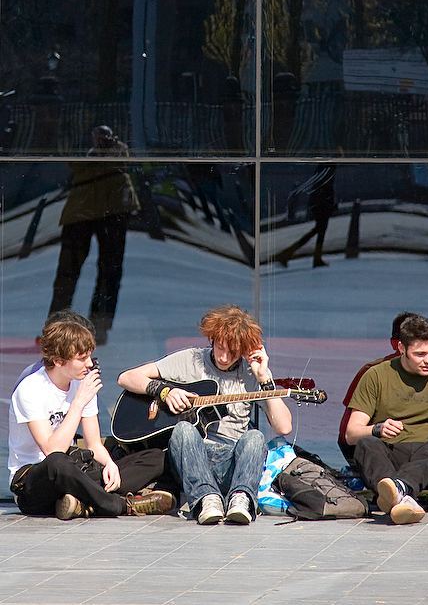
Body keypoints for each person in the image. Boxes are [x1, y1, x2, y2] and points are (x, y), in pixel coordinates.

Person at [117, 305, 292, 525]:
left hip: (233, 461)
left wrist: (264, 378)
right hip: (194, 458)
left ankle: (241, 499)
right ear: (212, 339)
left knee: (255, 437)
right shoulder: (191, 360)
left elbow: (284, 427)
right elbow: (126, 378)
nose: (225, 357)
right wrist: (164, 391)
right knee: (183, 430)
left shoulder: (252, 374)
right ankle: (206, 500)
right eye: (220, 348)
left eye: (233, 352)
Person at [8, 320, 173, 519]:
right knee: (57, 463)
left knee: (156, 457)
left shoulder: (81, 383)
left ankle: (80, 502)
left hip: (74, 471)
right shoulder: (31, 389)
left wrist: (110, 464)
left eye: (90, 356)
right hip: (34, 481)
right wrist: (77, 403)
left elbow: (94, 443)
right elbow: (52, 450)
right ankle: (119, 505)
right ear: (59, 361)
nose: (89, 364)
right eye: (82, 358)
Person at [344, 314, 428, 524]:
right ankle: (402, 498)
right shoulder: (375, 375)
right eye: (420, 354)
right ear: (401, 348)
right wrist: (377, 429)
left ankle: (397, 490)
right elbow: (351, 434)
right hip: (391, 454)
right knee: (366, 444)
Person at [47, 126, 140, 344]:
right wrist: (95, 152)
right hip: (85, 206)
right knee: (68, 270)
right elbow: (72, 164)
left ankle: (100, 325)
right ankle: (56, 327)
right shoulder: (80, 145)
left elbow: (124, 162)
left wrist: (110, 149)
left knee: (109, 269)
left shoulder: (118, 149)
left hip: (110, 206)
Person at [337, 311, 419, 467]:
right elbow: (345, 434)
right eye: (415, 346)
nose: (425, 358)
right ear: (396, 344)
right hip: (375, 449)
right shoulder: (371, 372)